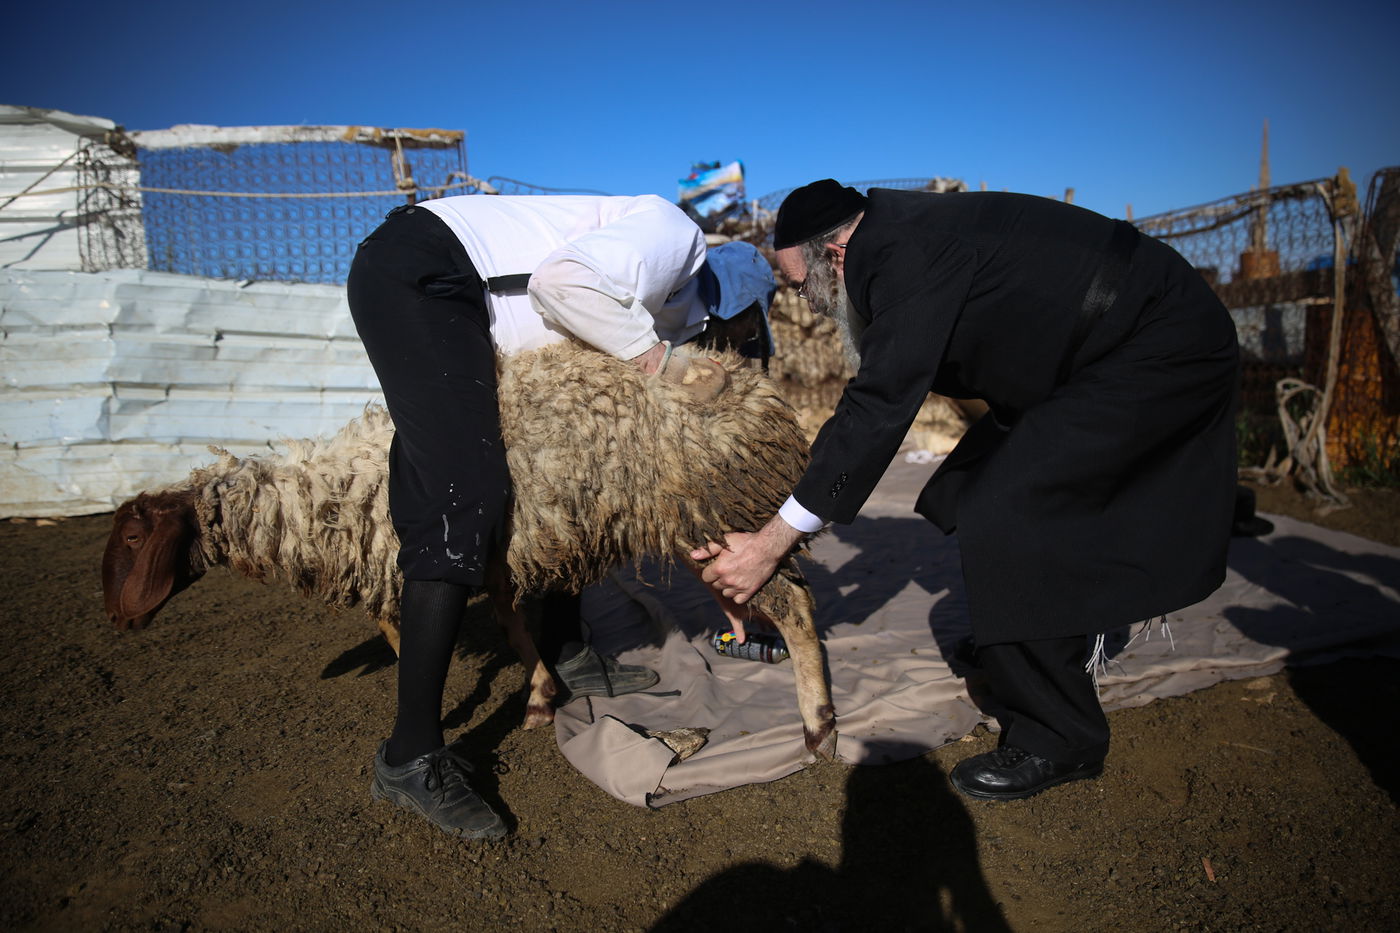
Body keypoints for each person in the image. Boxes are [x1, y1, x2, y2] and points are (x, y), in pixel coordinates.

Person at [692, 179, 1239, 801]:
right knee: (982, 480)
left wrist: (770, 543)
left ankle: (1060, 739)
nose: (806, 300)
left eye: (800, 284)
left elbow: (878, 405)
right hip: (1095, 350)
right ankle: (1028, 635)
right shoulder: (902, 237)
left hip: (1154, 345)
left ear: (835, 256)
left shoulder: (906, 254)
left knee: (1006, 509)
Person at [348, 193, 774, 837]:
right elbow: (559, 282)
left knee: (571, 480)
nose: (733, 349)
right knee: (462, 495)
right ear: (734, 303)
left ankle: (564, 649)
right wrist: (662, 363)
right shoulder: (675, 234)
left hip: (453, 289)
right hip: (427, 273)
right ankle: (409, 756)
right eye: (742, 334)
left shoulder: (655, 312)